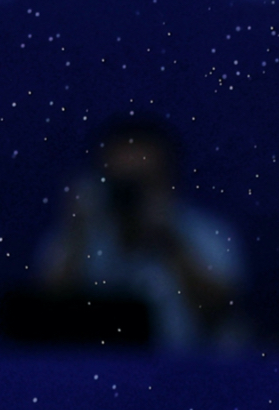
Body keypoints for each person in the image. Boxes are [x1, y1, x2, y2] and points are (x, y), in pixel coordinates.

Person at [26, 117, 244, 349]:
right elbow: (42, 315)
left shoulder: (205, 233)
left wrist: (169, 242)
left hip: (184, 371)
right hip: (98, 370)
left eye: (142, 182)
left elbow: (222, 312)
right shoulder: (80, 235)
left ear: (169, 179)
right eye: (121, 182)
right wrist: (77, 232)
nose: (131, 194)